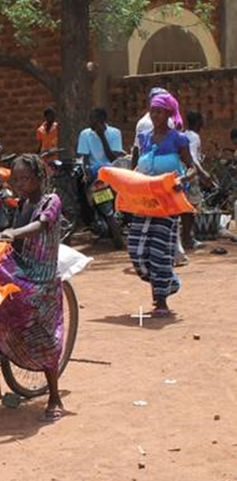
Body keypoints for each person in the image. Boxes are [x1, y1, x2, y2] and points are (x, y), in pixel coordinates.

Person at [0, 154, 64, 422]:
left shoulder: (51, 202)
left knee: (44, 335)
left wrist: (13, 234)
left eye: (24, 179)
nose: (19, 184)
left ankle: (54, 396)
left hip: (40, 277)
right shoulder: (22, 204)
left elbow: (39, 226)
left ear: (39, 177)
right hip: (22, 268)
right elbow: (13, 236)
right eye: (15, 179)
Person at [128, 92, 199, 317]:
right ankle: (170, 282)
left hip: (167, 203)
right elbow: (137, 166)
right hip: (144, 202)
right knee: (136, 249)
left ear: (168, 113)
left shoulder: (178, 139)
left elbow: (193, 167)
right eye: (152, 111)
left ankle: (161, 301)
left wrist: (182, 180)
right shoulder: (145, 138)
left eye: (159, 111)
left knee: (159, 251)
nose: (155, 115)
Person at [183, 111, 214, 250]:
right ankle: (188, 238)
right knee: (191, 207)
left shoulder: (183, 134)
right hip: (191, 174)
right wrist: (203, 174)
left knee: (184, 207)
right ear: (198, 122)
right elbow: (193, 158)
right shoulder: (194, 137)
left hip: (182, 173)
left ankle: (186, 237)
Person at [76, 107, 124, 181]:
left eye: (93, 120)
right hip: (93, 170)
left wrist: (102, 137)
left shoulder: (115, 133)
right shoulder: (85, 134)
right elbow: (85, 159)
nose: (90, 122)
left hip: (110, 170)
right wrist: (87, 173)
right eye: (90, 119)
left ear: (102, 121)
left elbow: (113, 159)